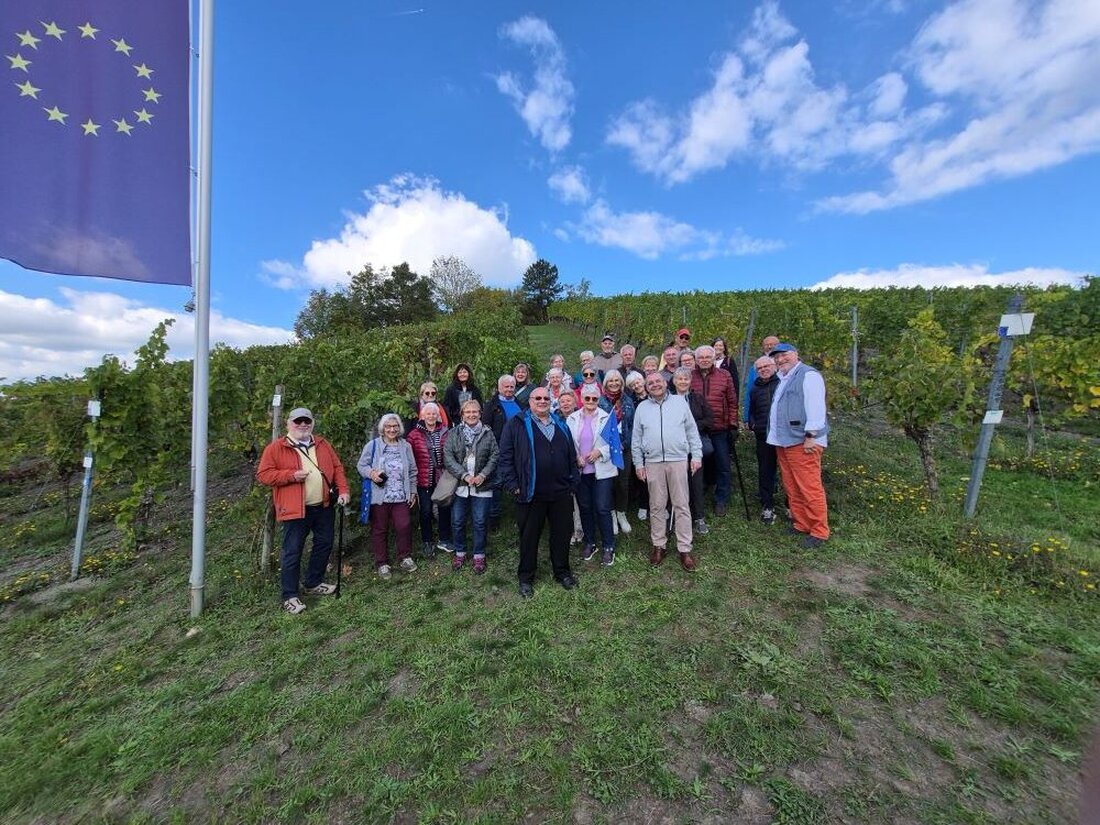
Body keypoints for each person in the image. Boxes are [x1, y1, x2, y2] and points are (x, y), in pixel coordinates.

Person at [257, 407, 350, 614]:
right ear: (289, 424)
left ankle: (313, 582)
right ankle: (289, 595)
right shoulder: (276, 448)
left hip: (323, 506)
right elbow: (264, 475)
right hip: (294, 509)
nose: (302, 425)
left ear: (312, 423)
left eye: (306, 421)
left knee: (324, 544)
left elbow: (337, 468)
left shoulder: (322, 444)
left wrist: (343, 491)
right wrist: (291, 475)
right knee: (292, 551)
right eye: (298, 421)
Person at [499, 387, 580, 597]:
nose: (542, 401)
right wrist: (514, 485)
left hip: (561, 492)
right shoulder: (516, 424)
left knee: (561, 535)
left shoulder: (560, 423)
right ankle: (526, 577)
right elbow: (505, 457)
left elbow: (571, 454)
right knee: (529, 537)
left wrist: (573, 480)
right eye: (538, 398)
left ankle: (562, 572)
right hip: (531, 492)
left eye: (546, 398)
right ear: (530, 401)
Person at [632, 373, 702, 571]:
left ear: (665, 383)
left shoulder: (680, 403)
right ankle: (659, 545)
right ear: (646, 387)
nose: (655, 385)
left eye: (658, 381)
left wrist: (696, 456)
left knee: (681, 504)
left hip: (678, 459)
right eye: (650, 383)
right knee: (656, 505)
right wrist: (639, 463)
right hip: (653, 462)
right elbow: (636, 439)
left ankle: (684, 548)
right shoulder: (642, 408)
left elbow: (692, 431)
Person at [767, 343, 830, 548]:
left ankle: (819, 530)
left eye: (784, 355)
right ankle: (801, 523)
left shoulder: (808, 375)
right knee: (792, 485)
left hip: (803, 441)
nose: (780, 360)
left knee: (809, 486)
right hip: (785, 441)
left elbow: (816, 407)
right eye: (776, 357)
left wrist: (811, 435)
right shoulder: (783, 378)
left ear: (796, 354)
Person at [358, 413, 418, 579]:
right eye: (388, 427)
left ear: (399, 428)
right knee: (379, 529)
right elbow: (361, 465)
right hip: (380, 496)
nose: (392, 429)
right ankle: (382, 563)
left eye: (395, 426)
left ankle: (405, 557)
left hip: (401, 495)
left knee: (404, 525)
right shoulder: (373, 445)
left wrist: (412, 491)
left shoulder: (405, 446)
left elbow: (413, 470)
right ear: (382, 429)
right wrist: (372, 473)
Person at [567, 385, 622, 566]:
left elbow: (615, 443)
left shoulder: (607, 418)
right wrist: (576, 458)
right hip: (582, 471)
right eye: (587, 398)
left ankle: (608, 546)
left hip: (602, 471)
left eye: (594, 399)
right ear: (582, 399)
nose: (591, 402)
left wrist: (599, 452)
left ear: (599, 400)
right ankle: (590, 542)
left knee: (602, 508)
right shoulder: (572, 418)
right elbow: (569, 443)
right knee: (585, 507)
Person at [443, 399, 499, 574]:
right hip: (460, 485)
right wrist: (464, 475)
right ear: (462, 415)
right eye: (468, 412)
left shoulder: (488, 433)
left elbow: (495, 455)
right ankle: (460, 552)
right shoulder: (454, 433)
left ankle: (479, 555)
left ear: (480, 413)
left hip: (482, 485)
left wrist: (483, 475)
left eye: (475, 412)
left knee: (480, 522)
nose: (472, 415)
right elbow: (448, 457)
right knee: (458, 521)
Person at [691, 344, 739, 517]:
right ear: (696, 360)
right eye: (701, 357)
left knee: (723, 464)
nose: (704, 360)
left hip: (720, 427)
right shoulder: (690, 376)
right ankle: (701, 491)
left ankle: (721, 499)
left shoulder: (724, 375)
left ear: (713, 359)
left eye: (707, 357)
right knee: (700, 462)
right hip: (698, 429)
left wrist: (733, 424)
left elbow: (733, 401)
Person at [406, 402, 454, 556]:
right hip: (423, 478)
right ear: (422, 416)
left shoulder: (446, 431)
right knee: (425, 511)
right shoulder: (414, 434)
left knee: (444, 509)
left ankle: (444, 539)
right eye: (428, 414)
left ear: (438, 416)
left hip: (442, 477)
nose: (431, 416)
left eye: (434, 414)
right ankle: (427, 541)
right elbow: (408, 456)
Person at [672, 367, 713, 536]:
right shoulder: (669, 400)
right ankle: (675, 516)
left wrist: (692, 427)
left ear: (690, 381)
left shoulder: (697, 398)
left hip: (694, 445)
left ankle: (699, 517)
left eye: (685, 379)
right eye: (679, 379)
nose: (682, 382)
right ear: (674, 381)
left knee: (696, 481)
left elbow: (709, 419)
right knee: (676, 484)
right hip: (676, 448)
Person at [483, 375, 523, 530]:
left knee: (519, 482)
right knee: (497, 484)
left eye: (512, 386)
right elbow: (486, 428)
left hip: (519, 450)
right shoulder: (491, 405)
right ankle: (494, 518)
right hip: (499, 450)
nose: (509, 389)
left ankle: (520, 515)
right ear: (499, 387)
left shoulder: (520, 403)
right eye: (506, 386)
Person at [599, 369, 634, 536]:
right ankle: (611, 514)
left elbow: (634, 425)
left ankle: (621, 513)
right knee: (609, 483)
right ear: (605, 383)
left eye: (617, 381)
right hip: (607, 449)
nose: (614, 383)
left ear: (621, 383)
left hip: (624, 448)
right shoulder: (600, 402)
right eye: (610, 381)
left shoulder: (627, 400)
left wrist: (624, 444)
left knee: (622, 482)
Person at [747, 356, 781, 525]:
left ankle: (793, 505)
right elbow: (752, 409)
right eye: (760, 368)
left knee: (787, 471)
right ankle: (767, 505)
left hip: (784, 435)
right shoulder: (755, 388)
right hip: (763, 435)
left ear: (774, 366)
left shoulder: (782, 383)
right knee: (765, 471)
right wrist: (752, 423)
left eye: (766, 366)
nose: (763, 370)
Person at [625, 370, 650, 521]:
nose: (637, 385)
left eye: (638, 382)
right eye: (633, 384)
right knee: (641, 475)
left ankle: (658, 504)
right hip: (639, 440)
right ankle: (643, 505)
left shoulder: (653, 396)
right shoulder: (631, 401)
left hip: (654, 440)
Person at [742, 335, 781, 423]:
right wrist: (746, 418)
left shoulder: (785, 366)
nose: (770, 347)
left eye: (773, 344)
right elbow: (749, 392)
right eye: (766, 345)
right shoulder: (756, 367)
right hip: (761, 418)